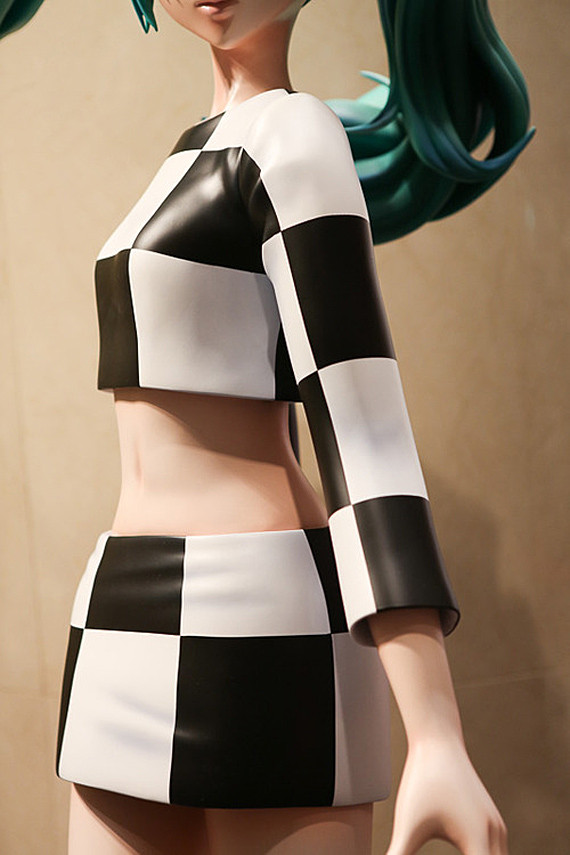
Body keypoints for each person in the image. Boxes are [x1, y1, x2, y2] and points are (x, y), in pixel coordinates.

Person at [4, 1, 533, 853]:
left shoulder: (296, 134)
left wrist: (436, 733)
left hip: (261, 609)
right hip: (120, 608)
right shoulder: (197, 150)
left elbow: (361, 424)